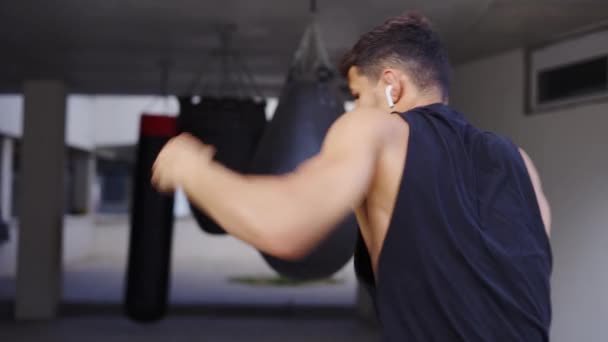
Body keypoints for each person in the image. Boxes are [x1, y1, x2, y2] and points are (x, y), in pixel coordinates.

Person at [152, 12, 552, 341]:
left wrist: (192, 168)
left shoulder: (376, 130)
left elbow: (285, 227)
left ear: (392, 85)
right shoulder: (520, 162)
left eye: (358, 95)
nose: (355, 108)